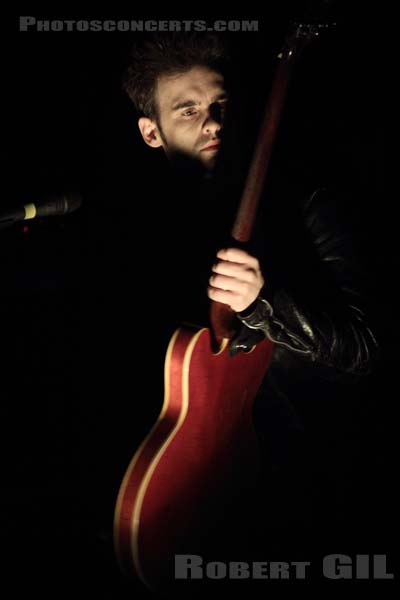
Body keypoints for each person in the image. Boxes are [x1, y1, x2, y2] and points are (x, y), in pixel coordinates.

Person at [117, 30, 380, 571]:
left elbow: (366, 347)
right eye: (186, 110)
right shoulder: (143, 235)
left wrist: (267, 303)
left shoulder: (309, 200)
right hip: (204, 489)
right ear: (151, 132)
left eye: (220, 104)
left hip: (310, 483)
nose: (211, 120)